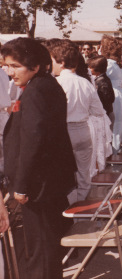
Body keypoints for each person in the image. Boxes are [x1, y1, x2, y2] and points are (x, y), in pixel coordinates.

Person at [1, 37, 77, 279]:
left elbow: (33, 142)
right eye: (6, 65)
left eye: (14, 66)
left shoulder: (36, 91)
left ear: (34, 65)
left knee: (40, 249)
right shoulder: (45, 85)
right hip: (47, 181)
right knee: (45, 247)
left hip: (39, 184)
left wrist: (21, 186)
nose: (8, 71)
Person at [46, 39, 106, 204]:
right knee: (83, 172)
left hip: (65, 132)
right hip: (83, 130)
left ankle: (72, 207)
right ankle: (82, 204)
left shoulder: (57, 83)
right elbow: (98, 111)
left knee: (66, 173)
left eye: (52, 61)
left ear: (62, 62)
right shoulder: (85, 83)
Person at [101, 35, 122, 154]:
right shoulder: (117, 63)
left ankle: (114, 152)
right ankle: (116, 150)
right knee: (118, 125)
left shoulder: (109, 64)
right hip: (119, 93)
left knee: (114, 126)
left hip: (113, 95)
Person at [87, 55, 116, 125]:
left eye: (90, 68)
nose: (88, 69)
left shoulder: (102, 83)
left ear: (97, 70)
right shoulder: (102, 79)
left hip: (106, 115)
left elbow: (107, 100)